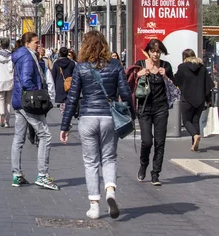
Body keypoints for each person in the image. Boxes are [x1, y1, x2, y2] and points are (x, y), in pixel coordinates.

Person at [60, 31, 134, 220]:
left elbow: (73, 97)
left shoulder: (81, 68)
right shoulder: (116, 65)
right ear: (104, 45)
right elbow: (126, 92)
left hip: (87, 117)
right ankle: (110, 190)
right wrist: (131, 114)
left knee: (91, 162)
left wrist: (65, 125)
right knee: (109, 158)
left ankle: (94, 205)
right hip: (109, 117)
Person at [11, 32, 58, 190]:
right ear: (27, 44)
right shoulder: (27, 57)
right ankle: (43, 175)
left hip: (19, 100)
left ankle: (17, 174)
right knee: (45, 135)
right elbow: (26, 80)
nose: (39, 45)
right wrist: (36, 95)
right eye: (36, 42)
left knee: (19, 138)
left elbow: (34, 74)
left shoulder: (22, 56)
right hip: (28, 102)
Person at [133, 39, 174, 186]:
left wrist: (166, 77)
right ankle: (143, 164)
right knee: (147, 141)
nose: (156, 54)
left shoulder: (166, 66)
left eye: (158, 51)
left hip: (161, 108)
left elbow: (175, 88)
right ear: (148, 52)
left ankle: (155, 173)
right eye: (153, 51)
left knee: (160, 142)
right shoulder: (141, 64)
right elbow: (130, 82)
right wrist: (139, 74)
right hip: (144, 108)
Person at [174, 49, 214, 152]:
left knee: (186, 121)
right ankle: (194, 144)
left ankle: (195, 136)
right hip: (200, 99)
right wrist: (208, 99)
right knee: (196, 121)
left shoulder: (182, 67)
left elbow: (176, 81)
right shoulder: (203, 68)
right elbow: (207, 85)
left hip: (187, 98)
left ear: (184, 57)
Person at [0, 37, 13, 128]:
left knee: (0, 100)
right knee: (8, 101)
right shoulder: (11, 55)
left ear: (0, 45)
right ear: (8, 45)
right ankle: (7, 121)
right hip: (9, 80)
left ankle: (1, 115)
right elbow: (12, 68)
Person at [51, 47, 76, 116]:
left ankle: (64, 115)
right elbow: (75, 74)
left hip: (59, 84)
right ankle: (68, 114)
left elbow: (53, 75)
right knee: (69, 100)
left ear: (59, 54)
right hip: (69, 84)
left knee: (62, 102)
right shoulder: (71, 63)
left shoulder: (56, 63)